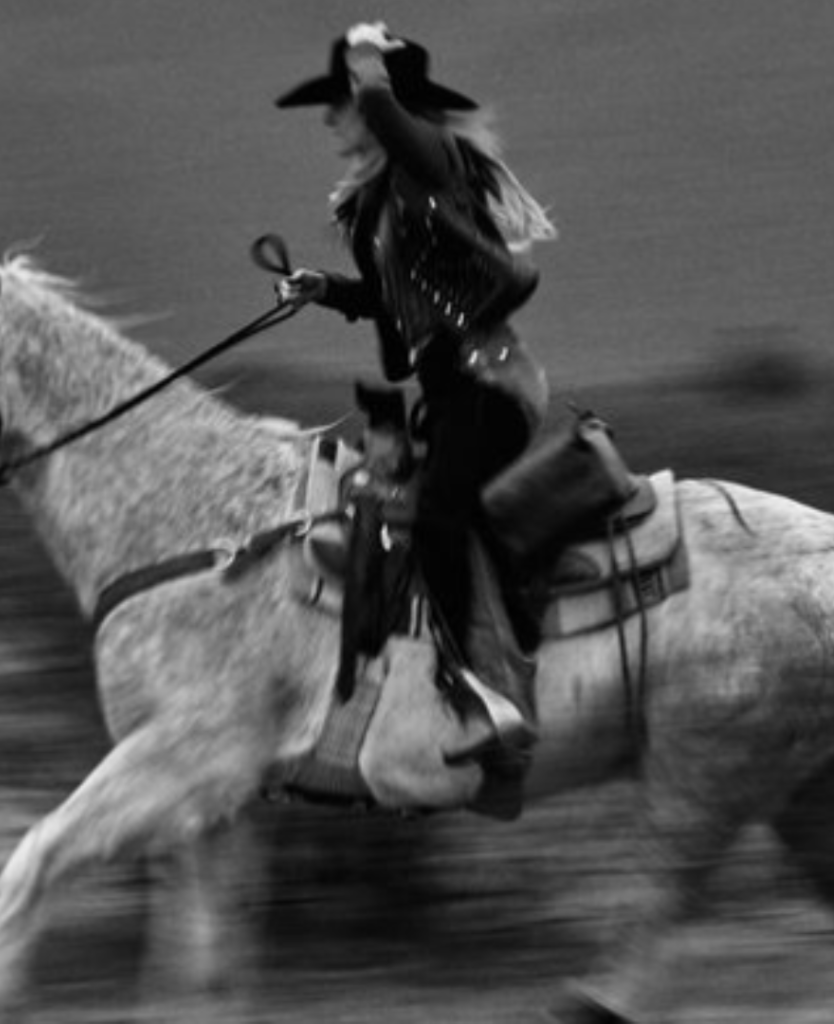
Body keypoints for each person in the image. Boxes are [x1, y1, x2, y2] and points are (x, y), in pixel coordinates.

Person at [274, 22, 557, 811]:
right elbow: (397, 304)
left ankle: (484, 695)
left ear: (381, 105)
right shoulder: (387, 200)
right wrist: (325, 290)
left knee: (438, 517)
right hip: (456, 391)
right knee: (411, 520)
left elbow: (382, 105)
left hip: (491, 385)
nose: (332, 120)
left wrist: (366, 59)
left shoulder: (427, 156)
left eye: (341, 104)